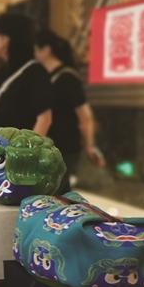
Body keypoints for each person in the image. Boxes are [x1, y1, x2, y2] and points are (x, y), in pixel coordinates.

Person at [34, 29, 105, 192]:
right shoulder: (44, 77)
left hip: (65, 147)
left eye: (36, 49)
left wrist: (90, 146)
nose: (34, 55)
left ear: (46, 50)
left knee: (60, 190)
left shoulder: (68, 78)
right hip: (49, 146)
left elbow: (85, 116)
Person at [0, 13, 53, 136]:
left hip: (19, 146)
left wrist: (29, 147)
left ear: (5, 39)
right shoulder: (2, 73)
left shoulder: (35, 73)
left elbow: (44, 119)